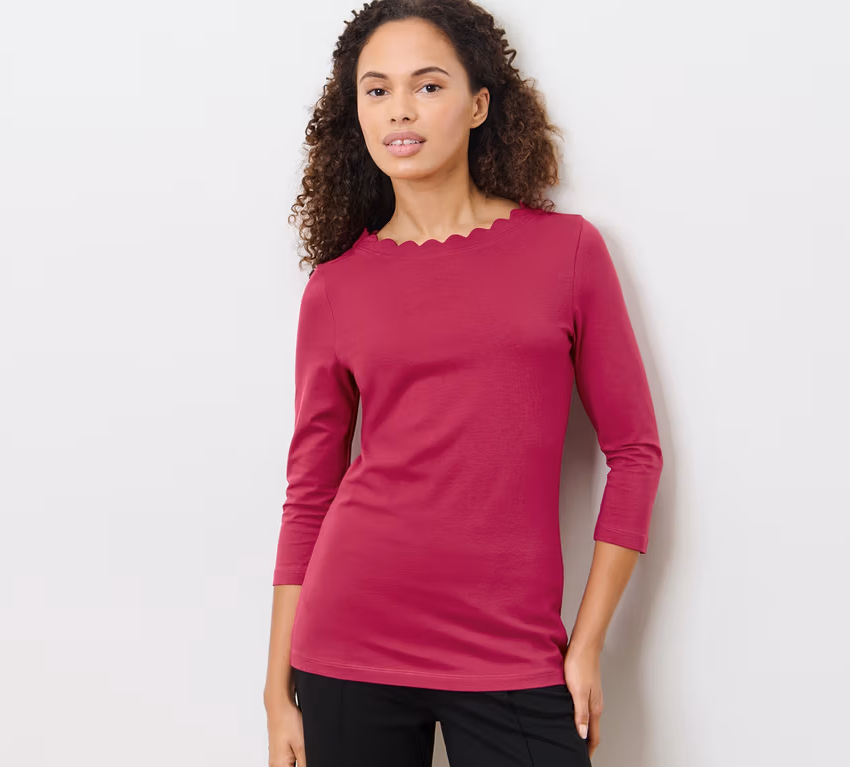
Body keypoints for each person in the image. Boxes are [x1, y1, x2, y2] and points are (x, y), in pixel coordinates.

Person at [264, 1, 663, 765]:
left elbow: (636, 454)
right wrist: (276, 687)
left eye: (428, 85)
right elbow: (310, 490)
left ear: (479, 104)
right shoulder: (336, 287)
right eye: (376, 90)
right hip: (349, 642)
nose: (400, 110)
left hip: (514, 650)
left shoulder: (568, 252)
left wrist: (585, 645)